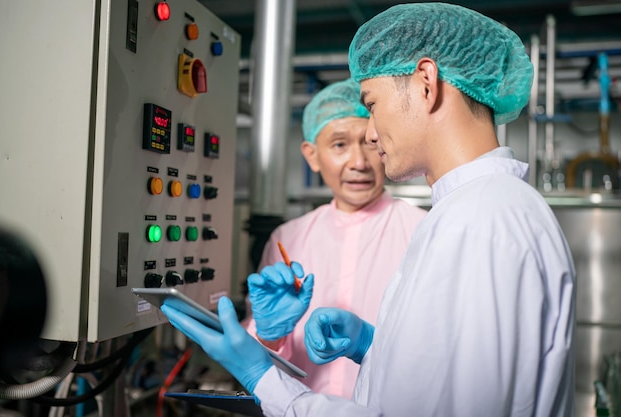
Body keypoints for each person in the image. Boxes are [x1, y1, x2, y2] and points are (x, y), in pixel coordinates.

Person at [161, 3, 576, 416]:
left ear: (426, 83)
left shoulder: (478, 223)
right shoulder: (478, 211)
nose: (372, 136)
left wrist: (263, 379)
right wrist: (374, 347)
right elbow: (439, 381)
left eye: (372, 105)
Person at [243, 78, 427, 398]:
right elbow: (256, 363)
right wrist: (268, 335)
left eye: (370, 143)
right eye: (340, 145)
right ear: (312, 155)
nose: (359, 163)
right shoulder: (287, 238)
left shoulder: (422, 230)